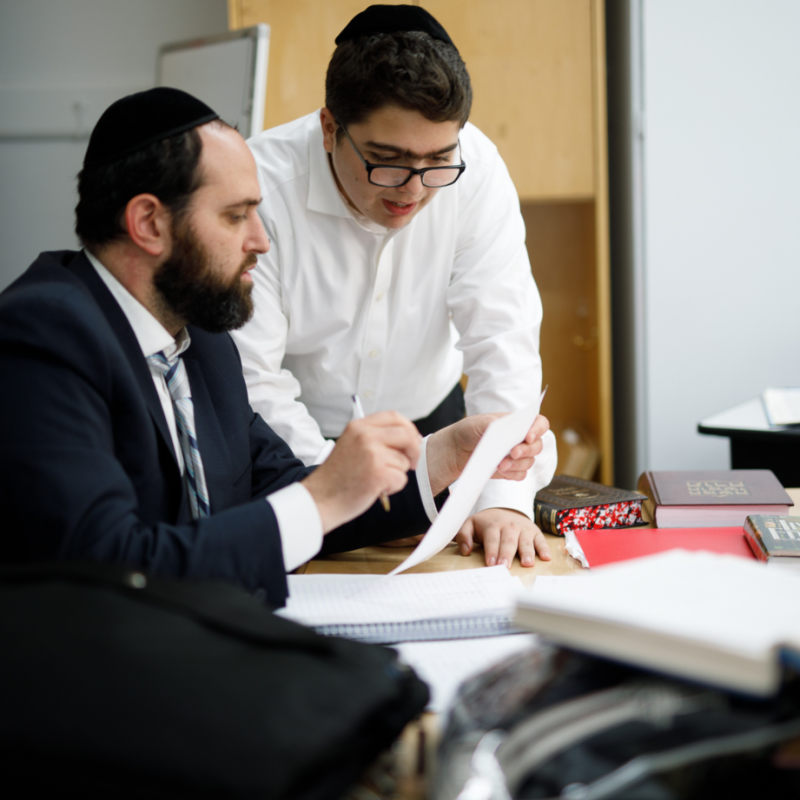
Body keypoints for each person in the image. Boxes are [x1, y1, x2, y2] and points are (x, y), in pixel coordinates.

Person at [0, 87, 550, 607]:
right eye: (236, 216)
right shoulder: (44, 336)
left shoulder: (202, 344)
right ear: (148, 223)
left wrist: (445, 457)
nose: (261, 240)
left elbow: (287, 490)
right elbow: (108, 566)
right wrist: (321, 497)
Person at [233, 4, 558, 569]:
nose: (414, 189)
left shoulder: (475, 170)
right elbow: (255, 382)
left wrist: (501, 498)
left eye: (438, 161)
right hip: (297, 444)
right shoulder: (261, 189)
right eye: (387, 162)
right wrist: (363, 499)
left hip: (435, 427)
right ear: (330, 128)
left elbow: (502, 337)